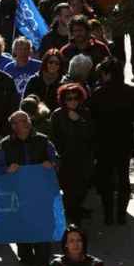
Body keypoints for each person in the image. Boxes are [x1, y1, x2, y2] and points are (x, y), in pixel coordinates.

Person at [0, 111, 57, 266]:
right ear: (13, 126)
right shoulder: (6, 144)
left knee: (43, 225)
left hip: (41, 192)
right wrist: (7, 170)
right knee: (21, 225)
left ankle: (43, 261)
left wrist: (51, 164)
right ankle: (26, 259)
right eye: (17, 122)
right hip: (17, 193)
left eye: (25, 120)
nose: (22, 124)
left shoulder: (43, 140)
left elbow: (56, 160)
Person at [88, 58, 134, 225]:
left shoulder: (98, 93)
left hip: (103, 143)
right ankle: (121, 215)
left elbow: (92, 118)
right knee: (123, 178)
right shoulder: (131, 92)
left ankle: (109, 215)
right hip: (124, 140)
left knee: (106, 180)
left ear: (107, 73)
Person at [50, 83, 94, 225]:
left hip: (83, 158)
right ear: (64, 99)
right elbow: (53, 138)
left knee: (83, 187)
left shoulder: (86, 113)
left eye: (75, 98)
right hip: (66, 159)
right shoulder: (57, 115)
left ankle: (76, 210)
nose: (73, 101)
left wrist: (79, 121)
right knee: (69, 190)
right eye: (69, 98)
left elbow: (92, 135)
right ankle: (73, 216)